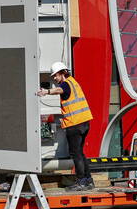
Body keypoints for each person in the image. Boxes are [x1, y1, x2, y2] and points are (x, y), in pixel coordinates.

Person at [37, 61, 94, 191]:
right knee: (80, 153)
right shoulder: (74, 82)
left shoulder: (65, 84)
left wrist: (47, 91)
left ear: (62, 73)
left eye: (55, 76)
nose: (54, 79)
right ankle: (88, 180)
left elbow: (60, 90)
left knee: (75, 154)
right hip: (84, 122)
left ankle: (81, 182)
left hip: (74, 124)